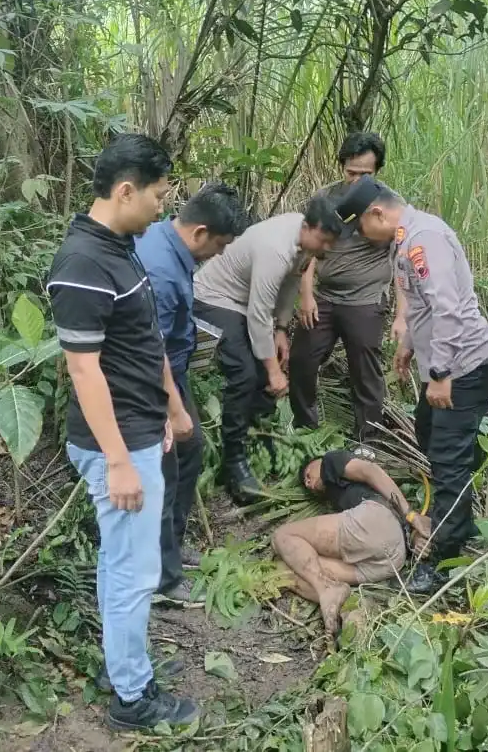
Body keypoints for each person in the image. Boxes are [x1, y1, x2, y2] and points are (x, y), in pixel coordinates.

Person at [46, 133, 199, 731]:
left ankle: (121, 666)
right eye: (159, 196)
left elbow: (145, 339)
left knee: (120, 563)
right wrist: (117, 461)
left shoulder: (122, 245)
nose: (164, 207)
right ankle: (133, 699)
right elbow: (82, 368)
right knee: (136, 571)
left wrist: (171, 406)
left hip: (139, 426)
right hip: (116, 442)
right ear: (126, 190)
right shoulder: (82, 263)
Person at [333, 175, 488, 595]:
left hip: (462, 368)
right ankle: (462, 505)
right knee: (431, 436)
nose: (362, 236)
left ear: (377, 213)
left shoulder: (425, 239)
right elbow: (423, 306)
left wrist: (441, 374)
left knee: (447, 458)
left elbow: (448, 310)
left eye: (361, 227)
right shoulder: (406, 241)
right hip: (443, 366)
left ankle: (445, 556)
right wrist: (408, 345)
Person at [135, 183, 248, 607]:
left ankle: (172, 550)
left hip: (173, 376)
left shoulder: (166, 242)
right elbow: (153, 351)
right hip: (153, 387)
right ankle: (162, 580)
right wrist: (174, 410)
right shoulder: (163, 270)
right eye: (220, 244)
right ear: (201, 232)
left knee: (190, 453)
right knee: (164, 471)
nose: (219, 254)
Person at [193, 196, 342, 505]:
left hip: (245, 302)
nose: (326, 248)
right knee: (246, 373)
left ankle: (254, 435)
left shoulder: (303, 244)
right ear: (307, 226)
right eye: (324, 240)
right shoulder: (275, 248)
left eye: (331, 243)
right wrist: (274, 371)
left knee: (262, 369)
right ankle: (233, 461)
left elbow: (290, 283)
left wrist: (282, 330)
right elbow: (258, 314)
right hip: (216, 297)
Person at [290, 133, 394, 441]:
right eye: (351, 173)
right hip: (324, 296)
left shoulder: (390, 204)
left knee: (365, 371)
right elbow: (307, 250)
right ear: (341, 167)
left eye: (366, 175)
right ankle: (305, 429)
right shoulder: (325, 198)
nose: (357, 180)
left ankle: (369, 438)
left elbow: (403, 257)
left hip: (365, 300)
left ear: (377, 172)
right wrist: (306, 295)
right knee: (301, 360)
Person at [272, 446, 430, 635]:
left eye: (308, 474)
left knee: (281, 537)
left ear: (318, 462)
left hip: (375, 522)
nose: (307, 482)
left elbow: (370, 471)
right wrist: (414, 537)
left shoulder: (331, 460)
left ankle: (325, 590)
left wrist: (410, 514)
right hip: (390, 563)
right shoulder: (338, 498)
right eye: (305, 482)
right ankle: (347, 609)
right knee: (286, 568)